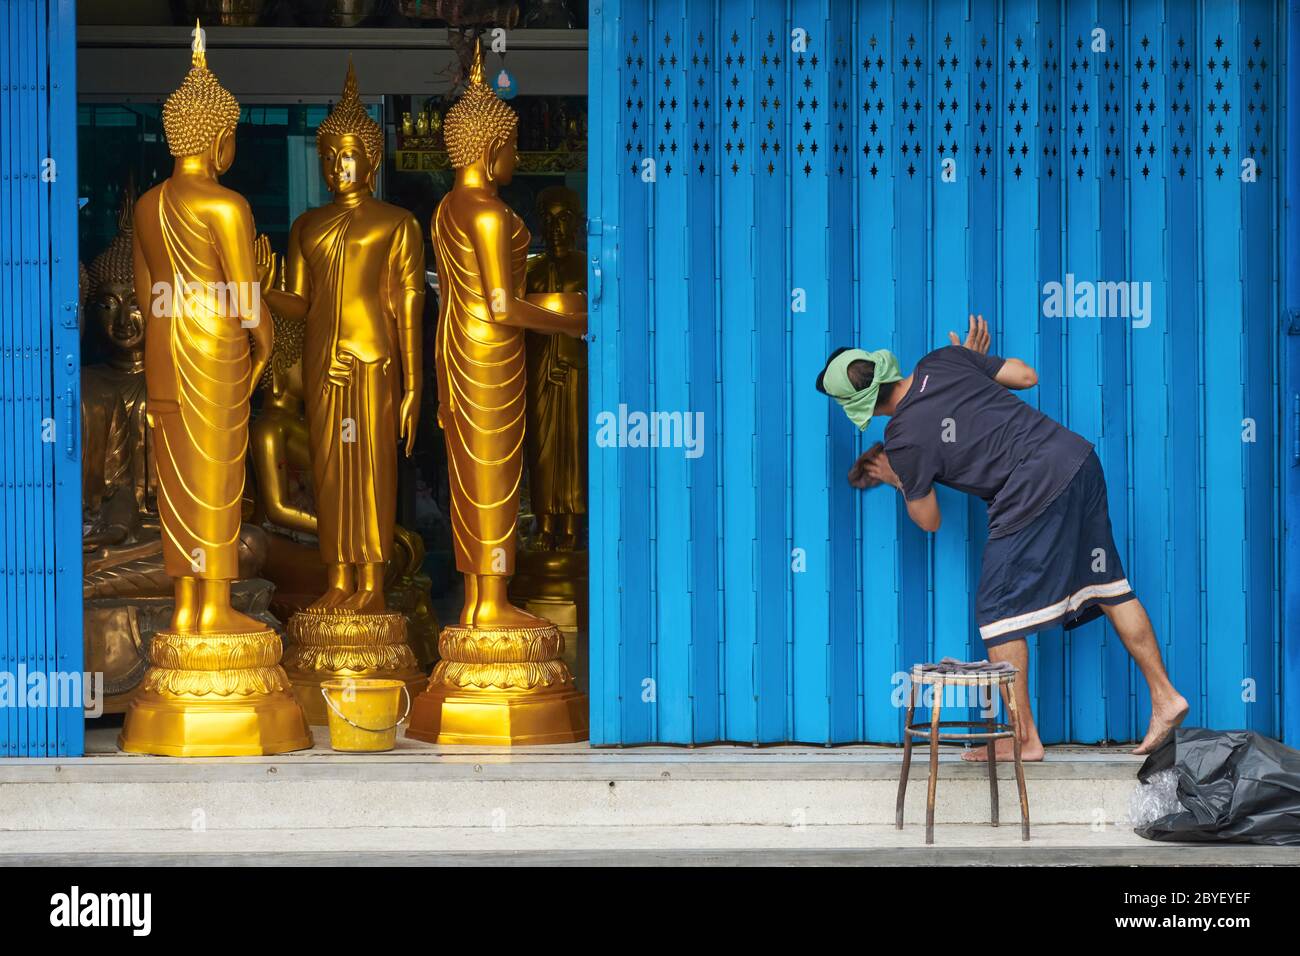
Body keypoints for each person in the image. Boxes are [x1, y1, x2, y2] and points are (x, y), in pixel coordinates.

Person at [817, 316, 1188, 759]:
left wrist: (899, 479)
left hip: (1030, 488)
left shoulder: (902, 439)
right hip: (1077, 459)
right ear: (882, 366)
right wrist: (971, 362)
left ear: (857, 408)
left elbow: (930, 519)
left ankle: (1024, 738)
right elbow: (1026, 376)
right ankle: (1166, 697)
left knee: (997, 610)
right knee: (1108, 585)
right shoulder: (942, 359)